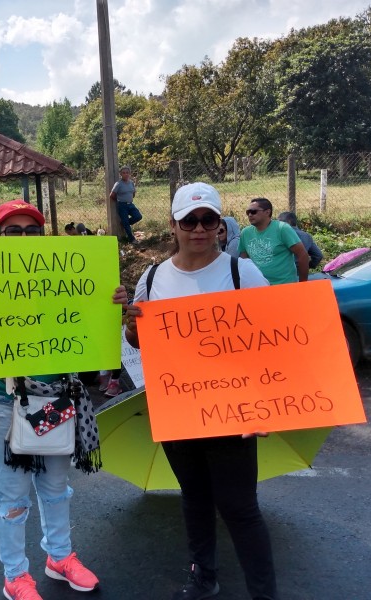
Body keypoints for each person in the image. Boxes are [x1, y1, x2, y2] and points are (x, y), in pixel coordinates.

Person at [124, 182, 279, 600]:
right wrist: (132, 326)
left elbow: (272, 343)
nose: (199, 228)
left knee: (240, 509)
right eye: (189, 220)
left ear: (219, 224)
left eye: (208, 219)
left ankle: (264, 593)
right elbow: (137, 341)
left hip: (234, 414)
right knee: (193, 498)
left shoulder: (241, 272)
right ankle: (203, 575)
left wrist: (264, 409)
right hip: (178, 411)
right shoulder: (153, 277)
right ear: (173, 225)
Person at [0, 199, 127, 600]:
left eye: (33, 231)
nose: (24, 239)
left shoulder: (63, 274)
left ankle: (59, 556)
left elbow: (91, 326)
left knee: (56, 485)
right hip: (1, 403)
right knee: (11, 494)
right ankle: (15, 576)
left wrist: (110, 303)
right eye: (13, 232)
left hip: (56, 399)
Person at [239, 198, 309, 284]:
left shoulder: (282, 229)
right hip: (258, 286)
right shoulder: (245, 233)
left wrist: (303, 285)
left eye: (253, 211)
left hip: (284, 286)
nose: (250, 215)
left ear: (267, 212)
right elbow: (244, 261)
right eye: (248, 212)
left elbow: (303, 255)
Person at [110, 166, 142, 244]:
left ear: (129, 174)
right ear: (121, 174)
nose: (125, 174)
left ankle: (124, 223)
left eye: (127, 173)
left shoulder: (131, 183)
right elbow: (112, 195)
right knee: (126, 223)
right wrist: (119, 201)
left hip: (130, 204)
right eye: (123, 173)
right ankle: (132, 239)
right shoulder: (118, 184)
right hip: (122, 205)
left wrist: (130, 199)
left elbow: (133, 192)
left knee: (138, 216)